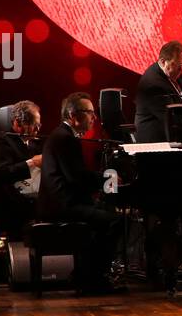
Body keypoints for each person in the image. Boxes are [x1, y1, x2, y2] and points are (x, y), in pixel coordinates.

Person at [38, 93, 125, 294]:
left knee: (103, 215)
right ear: (73, 115)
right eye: (90, 113)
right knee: (113, 221)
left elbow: (77, 176)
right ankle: (94, 279)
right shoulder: (65, 139)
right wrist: (107, 180)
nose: (94, 118)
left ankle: (84, 274)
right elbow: (76, 178)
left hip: (60, 203)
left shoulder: (62, 136)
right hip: (61, 207)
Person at [133, 40, 182, 143]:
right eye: (177, 65)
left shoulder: (174, 72)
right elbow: (176, 120)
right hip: (157, 144)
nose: (181, 70)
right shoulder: (153, 85)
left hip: (175, 138)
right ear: (163, 62)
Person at [0, 100, 43, 238]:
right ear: (17, 123)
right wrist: (32, 163)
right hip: (10, 207)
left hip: (27, 200)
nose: (38, 129)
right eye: (34, 125)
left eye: (39, 124)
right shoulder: (3, 141)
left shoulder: (33, 143)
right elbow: (0, 173)